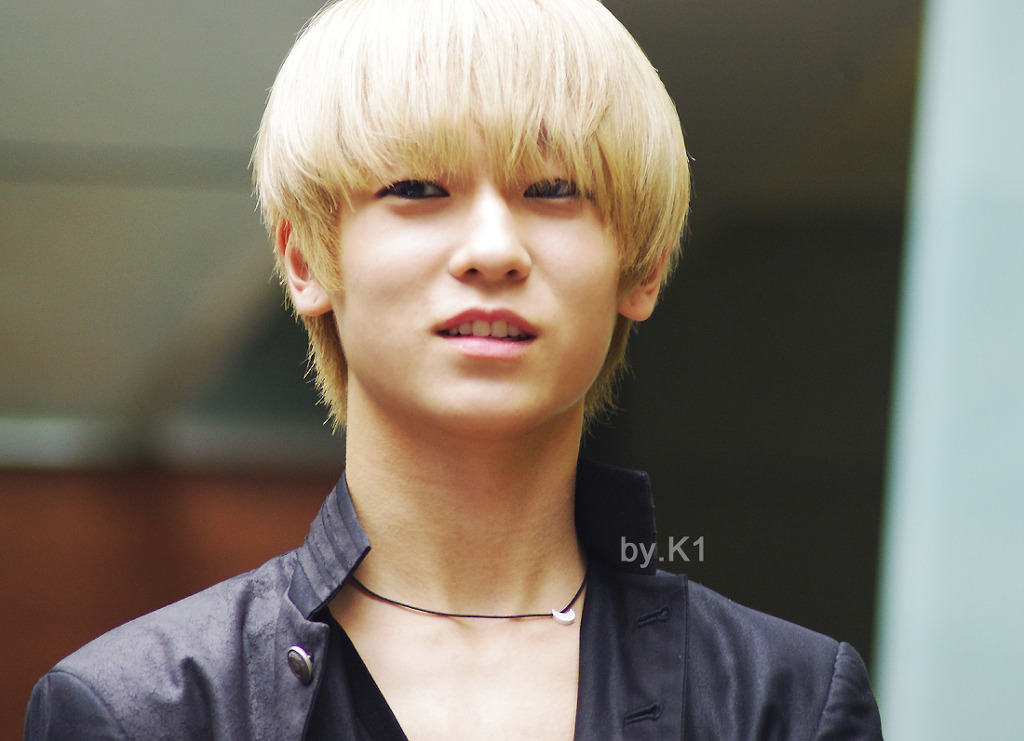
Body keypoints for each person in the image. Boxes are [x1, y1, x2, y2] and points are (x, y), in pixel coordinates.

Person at [25, 0, 883, 738]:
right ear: (305, 259)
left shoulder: (784, 701)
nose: (493, 249)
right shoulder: (145, 709)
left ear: (644, 267)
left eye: (553, 189)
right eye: (417, 189)